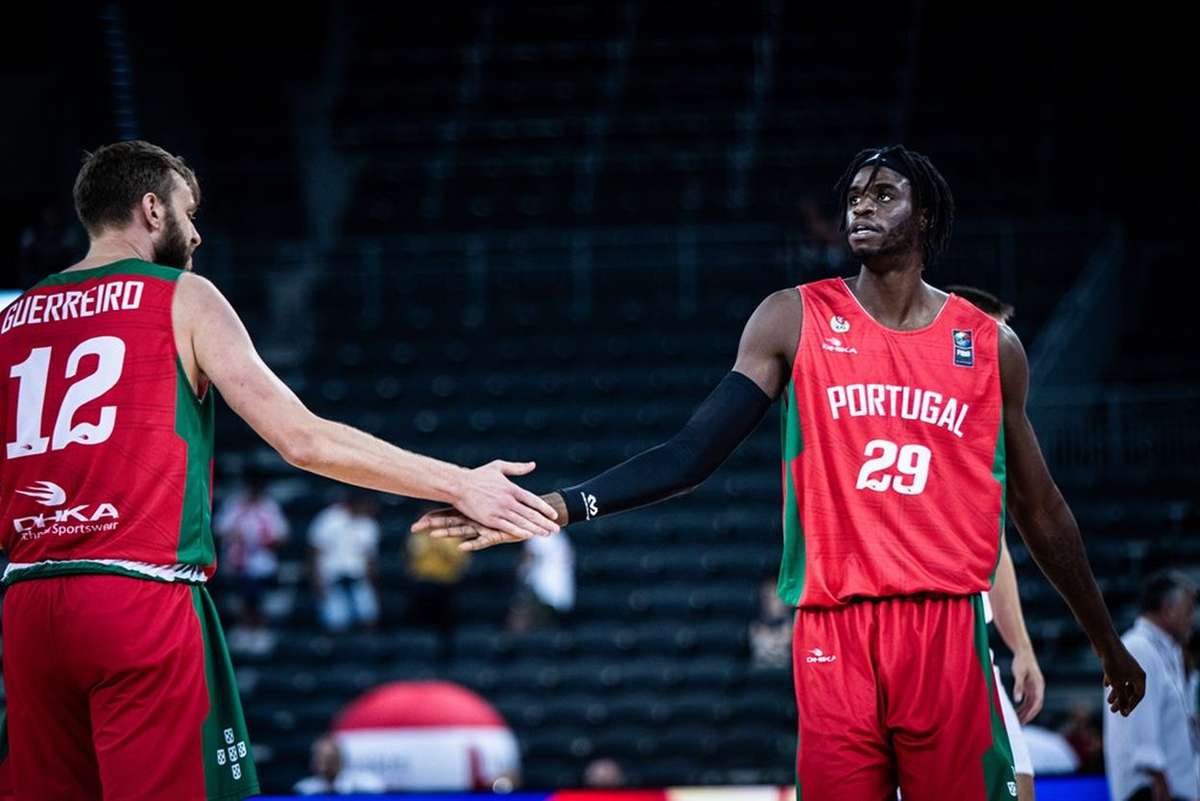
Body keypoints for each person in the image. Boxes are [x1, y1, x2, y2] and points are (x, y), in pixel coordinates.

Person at [415, 145, 1146, 799]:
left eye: (884, 192)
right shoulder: (794, 317)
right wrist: (554, 506)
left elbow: (1041, 511)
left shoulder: (990, 345)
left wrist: (1106, 645)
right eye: (854, 194)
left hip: (945, 627)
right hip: (833, 630)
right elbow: (691, 453)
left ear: (924, 216)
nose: (861, 203)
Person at [0, 140, 559, 801]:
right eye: (189, 209)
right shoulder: (183, 295)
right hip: (136, 592)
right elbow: (303, 439)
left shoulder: (14, 317)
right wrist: (461, 481)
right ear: (152, 209)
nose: (197, 231)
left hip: (29, 602)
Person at [947, 285, 1043, 801]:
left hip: (971, 640)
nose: (1004, 348)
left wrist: (1021, 649)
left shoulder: (985, 430)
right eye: (994, 335)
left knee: (1019, 785)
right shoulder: (918, 418)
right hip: (914, 638)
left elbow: (996, 551)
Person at [1104, 571, 1199, 801]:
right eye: (1188, 611)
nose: (1192, 620)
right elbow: (1139, 719)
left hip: (1175, 785)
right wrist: (1156, 775)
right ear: (1168, 609)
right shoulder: (1138, 648)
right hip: (1152, 789)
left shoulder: (1169, 651)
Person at [213, 469, 289, 653]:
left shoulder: (269, 507)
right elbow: (220, 529)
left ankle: (259, 630)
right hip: (239, 561)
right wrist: (237, 537)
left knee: (257, 598)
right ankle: (245, 629)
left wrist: (265, 540)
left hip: (262, 563)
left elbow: (282, 535)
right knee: (243, 598)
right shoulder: (235, 504)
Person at [309, 493, 383, 632]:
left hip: (358, 577)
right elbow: (316, 551)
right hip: (331, 577)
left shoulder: (369, 524)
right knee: (335, 621)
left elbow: (370, 559)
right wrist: (316, 580)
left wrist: (373, 587)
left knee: (369, 616)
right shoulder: (329, 518)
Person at [293, 734, 385, 795]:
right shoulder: (304, 789)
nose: (327, 763)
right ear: (314, 761)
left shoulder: (364, 783)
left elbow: (377, 788)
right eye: (321, 757)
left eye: (331, 758)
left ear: (341, 759)